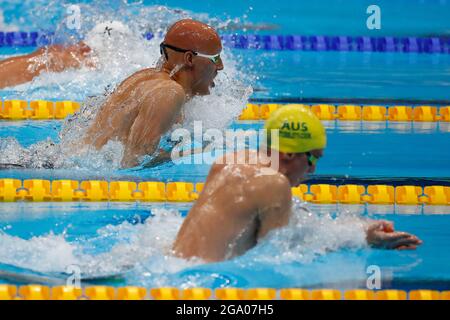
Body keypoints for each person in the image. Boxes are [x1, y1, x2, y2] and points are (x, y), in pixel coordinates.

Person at [173, 105, 422, 262]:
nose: (313, 168)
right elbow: (274, 255)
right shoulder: (274, 184)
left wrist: (356, 231)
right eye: (313, 157)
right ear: (289, 154)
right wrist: (361, 240)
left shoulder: (228, 162)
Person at [0, 19, 224, 168]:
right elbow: (132, 162)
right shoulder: (169, 93)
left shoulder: (147, 76)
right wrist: (193, 151)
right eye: (215, 59)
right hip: (69, 170)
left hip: (57, 160)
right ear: (189, 59)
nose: (221, 66)